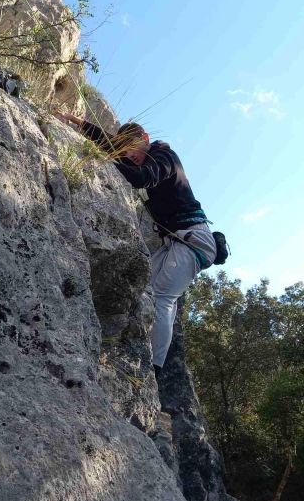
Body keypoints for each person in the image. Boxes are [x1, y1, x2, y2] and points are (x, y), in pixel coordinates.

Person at [53, 109, 216, 377]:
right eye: (126, 152)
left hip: (193, 241)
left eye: (132, 149)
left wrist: (104, 162)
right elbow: (110, 144)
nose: (130, 155)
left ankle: (155, 369)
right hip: (179, 241)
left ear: (146, 138)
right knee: (149, 290)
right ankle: (148, 353)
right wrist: (78, 123)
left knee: (164, 298)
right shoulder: (140, 155)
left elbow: (142, 178)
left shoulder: (164, 157)